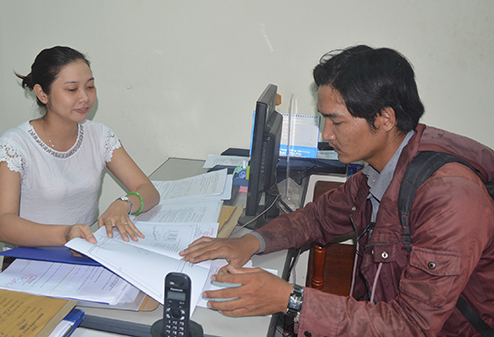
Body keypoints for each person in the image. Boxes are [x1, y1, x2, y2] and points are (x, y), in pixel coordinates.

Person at [180, 45, 494, 336]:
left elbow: (411, 326)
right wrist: (251, 241)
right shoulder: (385, 167)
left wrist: (291, 299)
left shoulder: (450, 198)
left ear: (384, 118)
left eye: (336, 122)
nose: (326, 133)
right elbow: (318, 218)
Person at [0, 46, 160, 247]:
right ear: (42, 94)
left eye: (90, 87)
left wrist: (125, 203)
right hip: (32, 260)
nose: (85, 97)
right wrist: (66, 234)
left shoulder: (99, 135)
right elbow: (2, 226)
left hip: (83, 252)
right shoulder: (15, 145)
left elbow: (148, 191)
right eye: (72, 89)